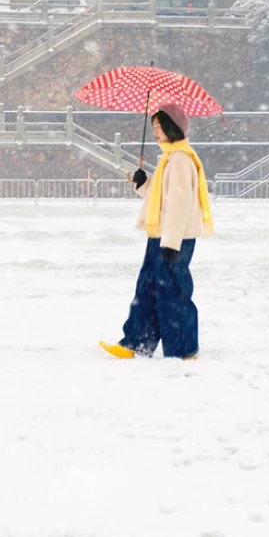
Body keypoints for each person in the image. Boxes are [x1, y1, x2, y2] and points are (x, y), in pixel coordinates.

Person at [101, 103, 212, 361]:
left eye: (159, 126)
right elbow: (161, 198)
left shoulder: (181, 159)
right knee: (148, 290)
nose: (155, 131)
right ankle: (136, 343)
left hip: (173, 239)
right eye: (154, 127)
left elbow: (179, 204)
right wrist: (144, 183)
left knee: (173, 293)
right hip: (160, 235)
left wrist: (171, 242)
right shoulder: (170, 158)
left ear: (172, 128)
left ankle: (184, 349)